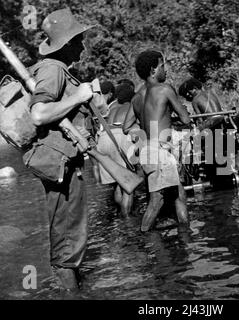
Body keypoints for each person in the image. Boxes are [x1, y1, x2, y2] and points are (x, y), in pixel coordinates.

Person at [29, 8, 95, 291]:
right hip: (61, 166)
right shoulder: (52, 69)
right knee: (67, 242)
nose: (82, 45)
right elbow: (39, 114)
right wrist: (79, 96)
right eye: (78, 40)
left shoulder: (58, 69)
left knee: (70, 235)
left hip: (66, 165)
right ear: (67, 43)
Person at [123, 50, 190, 232]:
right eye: (163, 65)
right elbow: (186, 119)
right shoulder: (164, 89)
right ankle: (144, 235)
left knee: (179, 195)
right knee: (156, 202)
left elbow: (126, 127)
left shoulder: (137, 97)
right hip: (161, 153)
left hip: (148, 151)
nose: (165, 70)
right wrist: (174, 116)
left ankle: (186, 234)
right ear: (153, 70)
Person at [96, 80, 138, 216]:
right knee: (128, 184)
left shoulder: (112, 107)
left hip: (104, 137)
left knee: (116, 182)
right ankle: (127, 220)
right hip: (120, 136)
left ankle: (120, 216)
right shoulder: (132, 105)